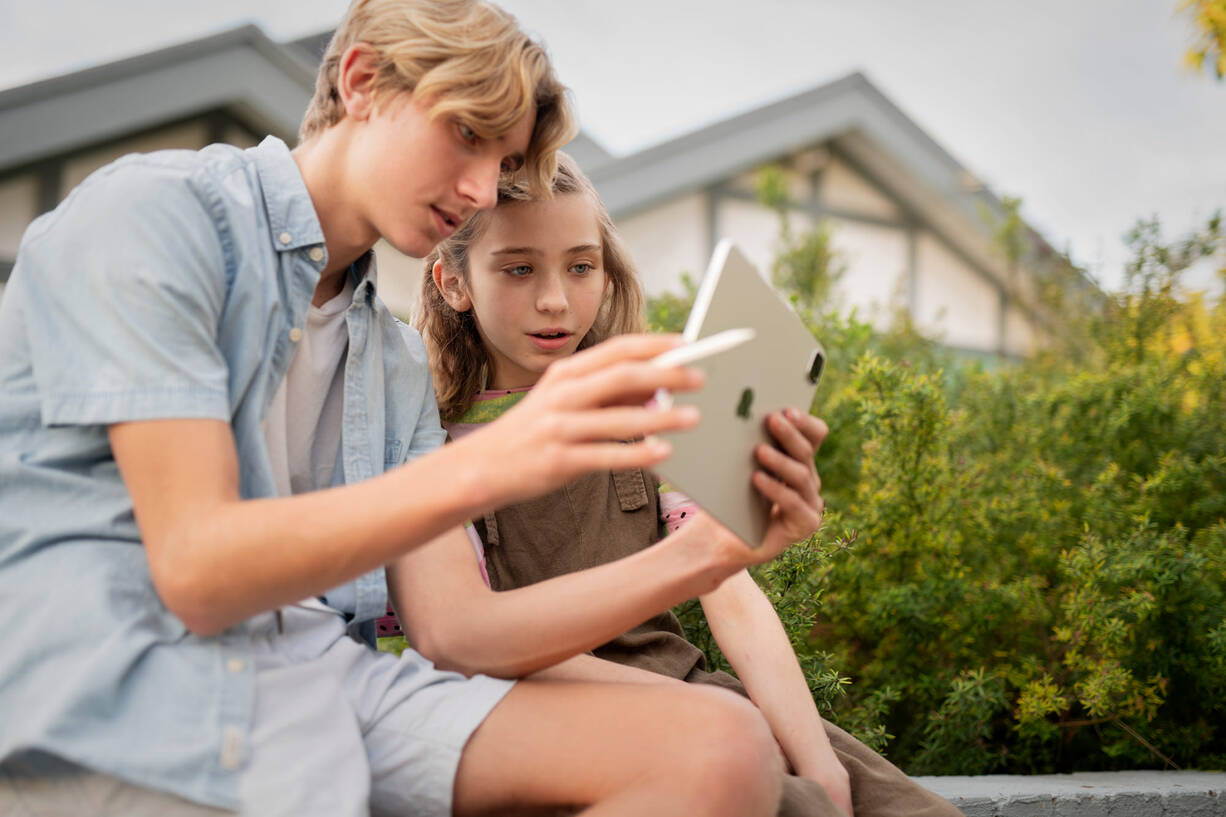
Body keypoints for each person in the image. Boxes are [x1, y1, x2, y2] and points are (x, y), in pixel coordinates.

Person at [0, 2, 818, 815]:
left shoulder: (389, 358)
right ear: (361, 82)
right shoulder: (155, 218)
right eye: (466, 133)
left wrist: (708, 552)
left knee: (724, 747)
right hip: (131, 674)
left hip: (323, 677)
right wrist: (494, 457)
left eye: (498, 160)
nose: (476, 189)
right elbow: (198, 571)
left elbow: (457, 633)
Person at [408, 153, 965, 817]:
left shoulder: (649, 411)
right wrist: (707, 716)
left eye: (581, 266)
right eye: (519, 268)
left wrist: (818, 758)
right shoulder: (434, 443)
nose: (555, 297)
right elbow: (476, 649)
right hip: (550, 714)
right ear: (454, 282)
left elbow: (727, 585)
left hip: (687, 681)